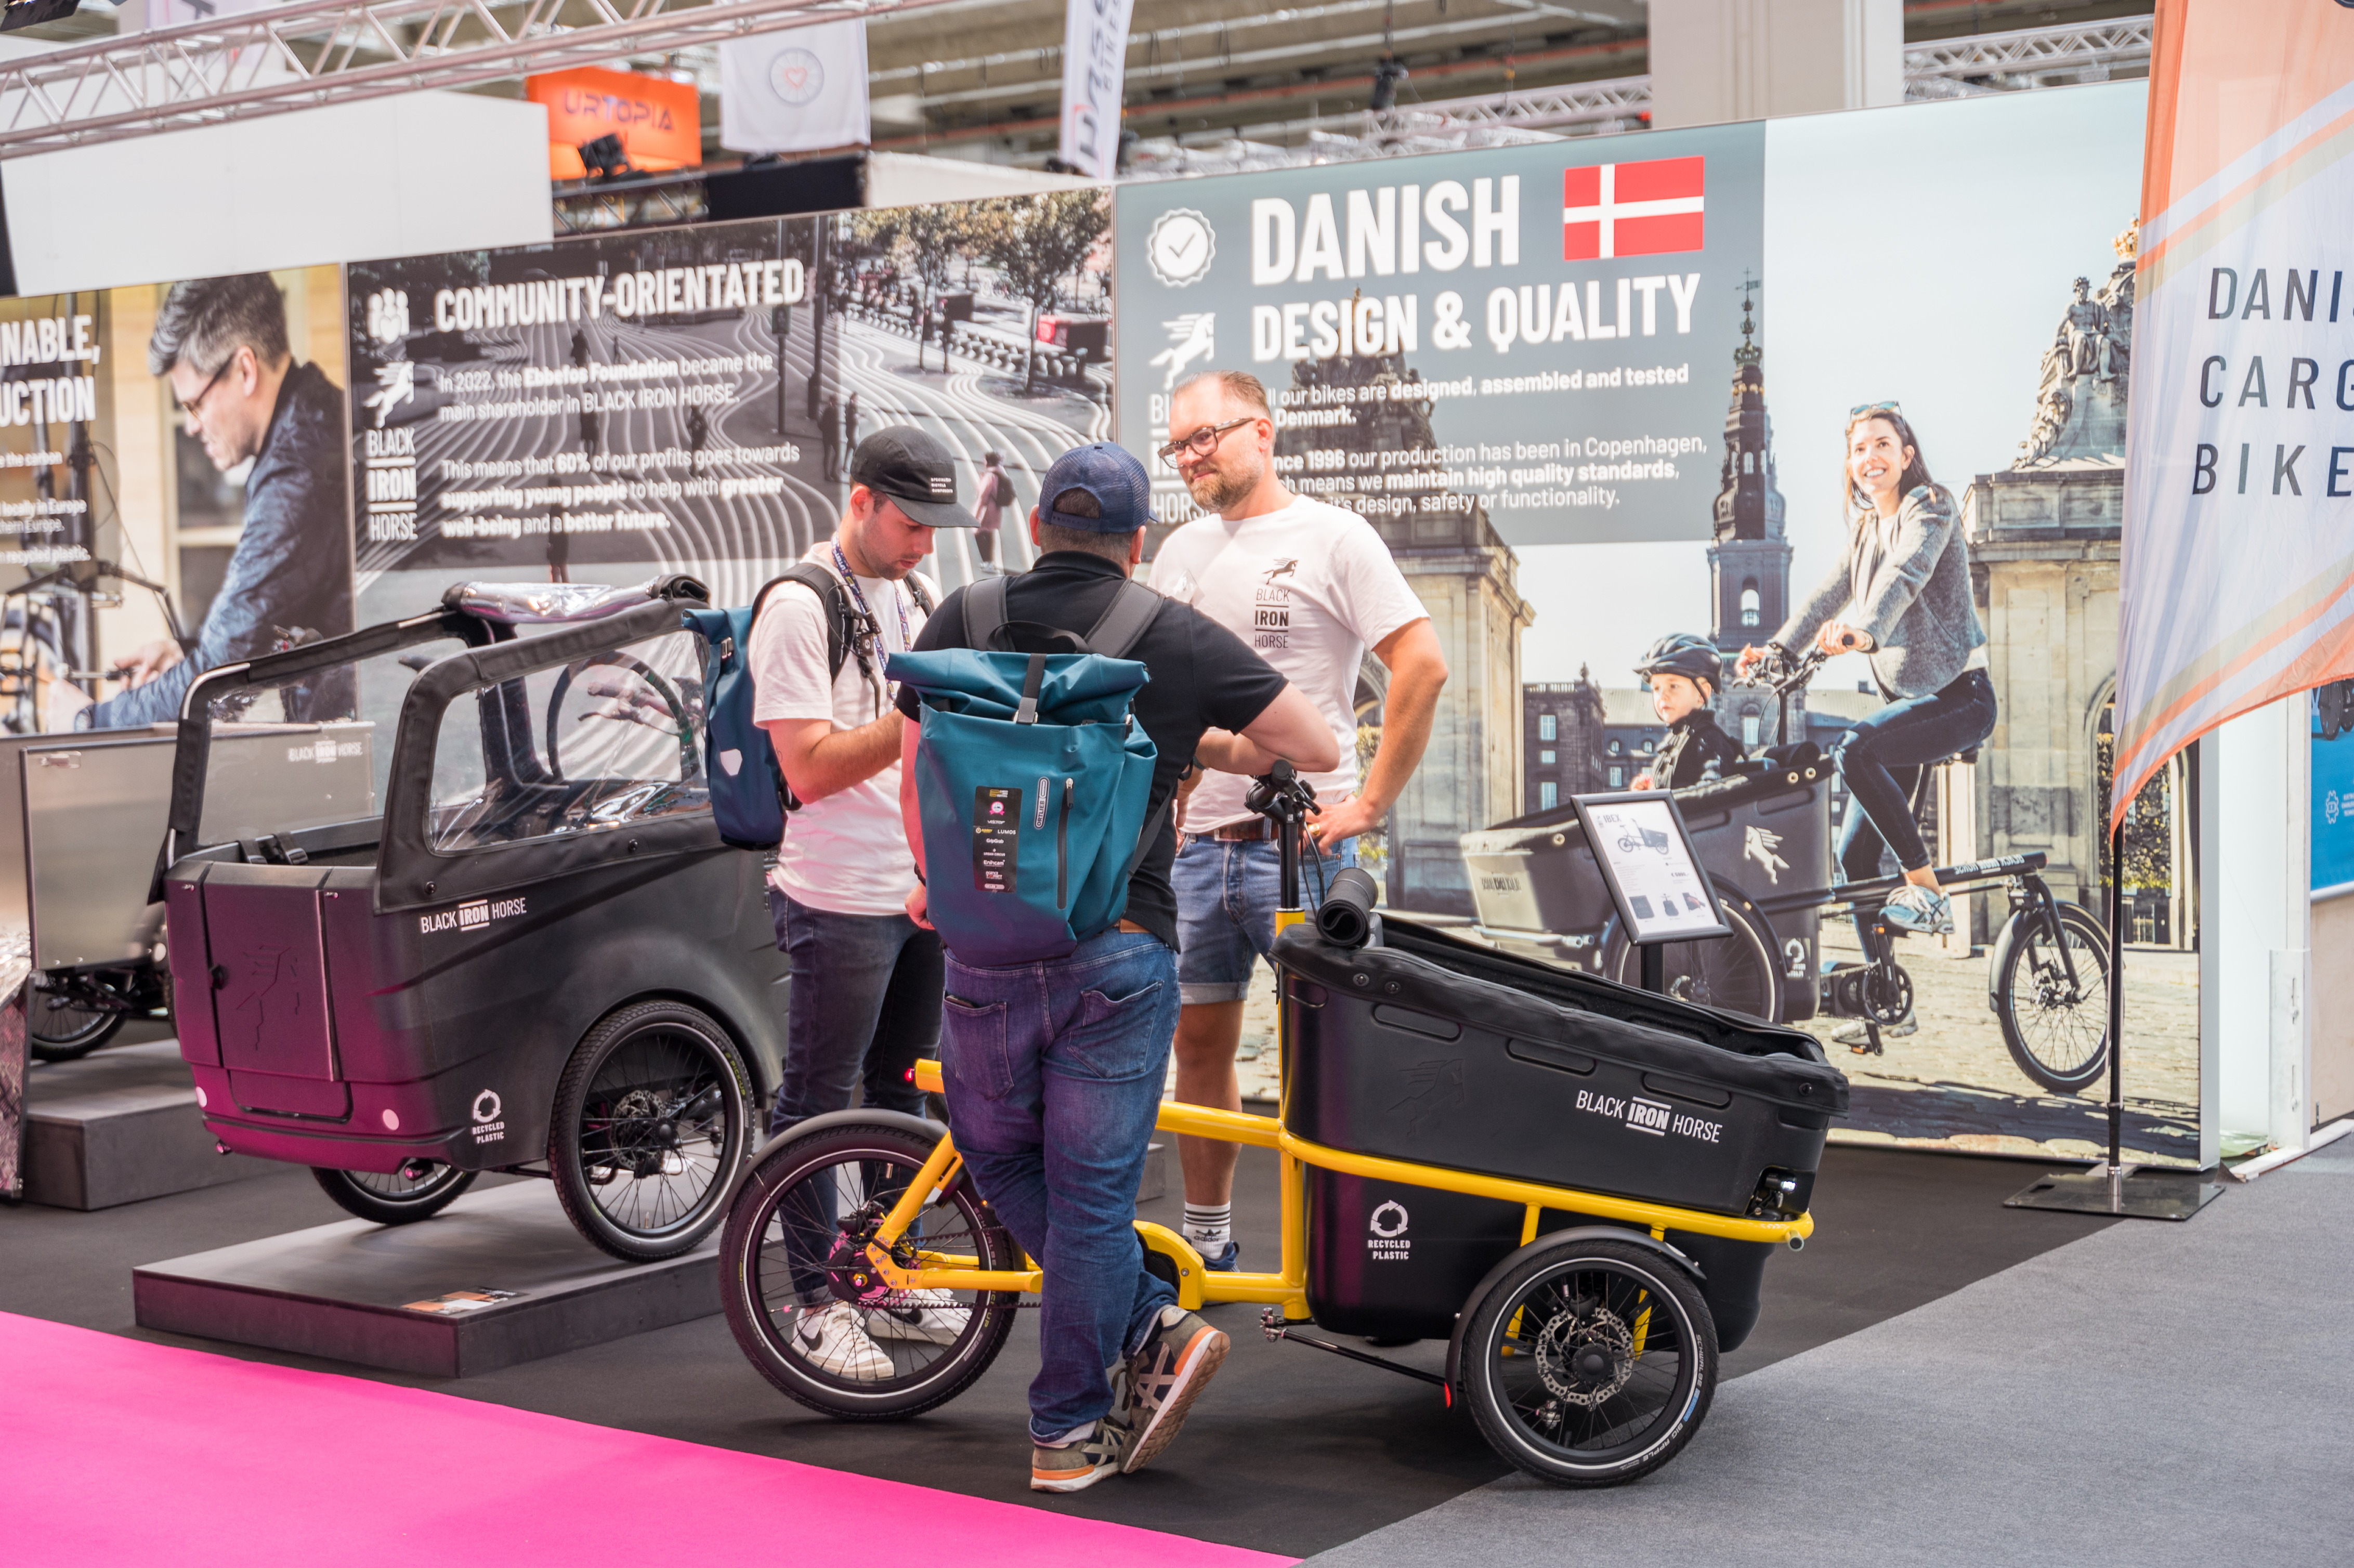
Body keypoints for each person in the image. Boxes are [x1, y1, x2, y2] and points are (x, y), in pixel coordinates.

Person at [896, 442, 1337, 1493]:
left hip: (981, 949)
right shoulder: (1170, 637)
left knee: (995, 1156)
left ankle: (1140, 1330)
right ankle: (1067, 1428)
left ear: (1039, 523)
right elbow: (1312, 742)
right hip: (1120, 949)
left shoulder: (961, 614)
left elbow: (917, 767)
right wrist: (1199, 742)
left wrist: (935, 881)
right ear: (1137, 543)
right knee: (1091, 1202)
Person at [1148, 369, 1447, 1272]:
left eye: (1208, 436)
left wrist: (1368, 803)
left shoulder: (1333, 536)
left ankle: (1343, 1252)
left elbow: (1421, 665)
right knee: (1199, 1048)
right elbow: (1162, 698)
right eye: (1179, 444)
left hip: (1304, 850)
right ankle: (1208, 1241)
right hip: (1196, 851)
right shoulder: (1177, 553)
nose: (1193, 456)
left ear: (1263, 432)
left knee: (1331, 1062)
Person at [750, 425, 977, 1375]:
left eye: (937, 524)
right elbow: (804, 770)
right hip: (838, 894)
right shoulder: (799, 605)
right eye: (910, 520)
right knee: (814, 1104)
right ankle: (812, 1300)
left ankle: (877, 1273)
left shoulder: (909, 592)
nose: (926, 541)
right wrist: (921, 710)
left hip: (915, 888)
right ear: (859, 500)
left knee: (901, 1096)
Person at [1739, 402, 1996, 1040]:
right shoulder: (1861, 531)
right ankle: (1888, 999)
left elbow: (1905, 575)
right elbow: (1825, 596)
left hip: (1959, 696)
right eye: (1859, 449)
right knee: (1852, 853)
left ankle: (1924, 887)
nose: (1870, 458)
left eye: (1882, 445)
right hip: (1909, 704)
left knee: (1855, 747)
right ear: (1850, 464)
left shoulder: (1930, 506)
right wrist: (1776, 651)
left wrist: (1863, 630)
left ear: (1905, 455)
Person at [54, 274, 351, 731]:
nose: (190, 426)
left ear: (245, 370)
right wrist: (188, 652)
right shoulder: (313, 419)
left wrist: (86, 722)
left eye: (195, 405)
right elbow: (258, 636)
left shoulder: (297, 473)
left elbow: (218, 681)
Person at [1630, 634, 1742, 791]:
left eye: (1673, 686)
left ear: (1702, 694)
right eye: (1656, 688)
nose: (1663, 695)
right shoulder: (1673, 741)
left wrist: (1666, 801)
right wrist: (1652, 791)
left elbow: (1713, 791)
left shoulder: (1709, 739)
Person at [971, 450, 1012, 569]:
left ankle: (986, 562)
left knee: (979, 533)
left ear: (988, 462)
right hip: (995, 510)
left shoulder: (990, 476)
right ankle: (989, 561)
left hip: (986, 510)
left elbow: (983, 496)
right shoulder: (999, 474)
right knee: (988, 534)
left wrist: (976, 513)